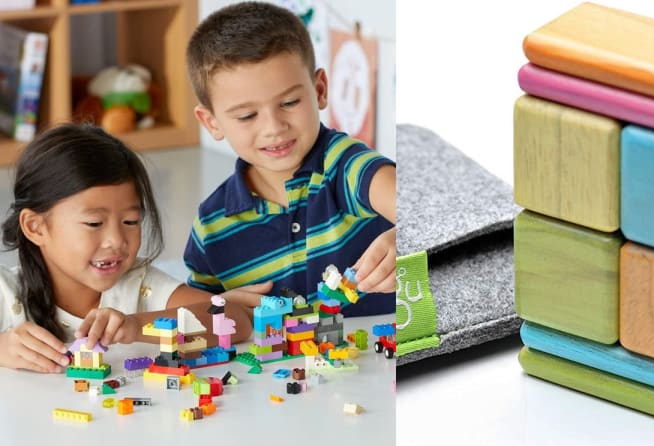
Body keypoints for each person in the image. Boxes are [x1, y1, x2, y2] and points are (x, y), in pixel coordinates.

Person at [0, 123, 268, 374]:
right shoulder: (6, 291)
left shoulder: (139, 285)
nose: (117, 240)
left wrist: (136, 325)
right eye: (94, 223)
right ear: (36, 227)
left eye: (131, 221)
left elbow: (234, 321)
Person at [184, 2, 395, 316]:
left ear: (320, 89)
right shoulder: (212, 225)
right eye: (247, 115)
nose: (274, 128)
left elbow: (419, 208)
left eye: (290, 102)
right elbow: (198, 318)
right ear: (212, 122)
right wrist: (219, 309)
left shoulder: (348, 166)